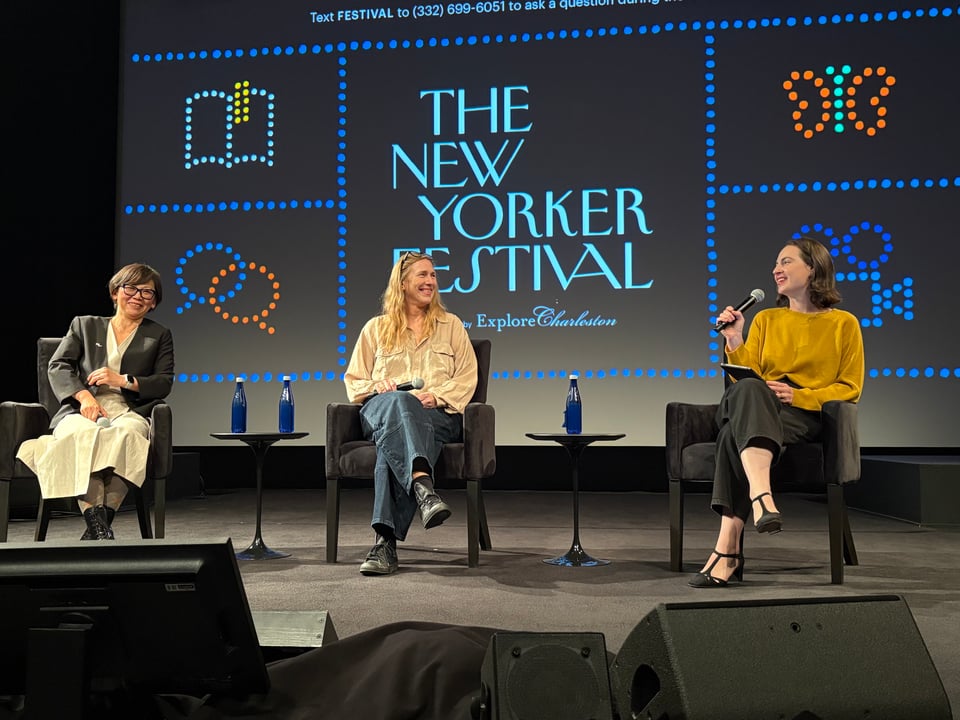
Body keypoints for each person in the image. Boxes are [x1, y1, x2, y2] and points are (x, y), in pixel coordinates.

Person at [689, 237, 864, 588]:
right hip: (755, 403)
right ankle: (761, 497)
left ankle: (729, 549)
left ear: (813, 268)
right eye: (775, 264)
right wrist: (735, 339)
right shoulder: (767, 319)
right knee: (750, 389)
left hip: (802, 415)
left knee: (729, 436)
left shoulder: (843, 324)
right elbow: (744, 375)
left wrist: (800, 395)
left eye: (786, 262)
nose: (776, 270)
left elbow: (850, 387)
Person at [16, 263, 174, 540]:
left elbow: (164, 382)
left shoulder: (158, 335)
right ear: (115, 292)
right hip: (82, 409)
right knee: (80, 435)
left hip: (129, 410)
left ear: (154, 303)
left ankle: (97, 527)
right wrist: (84, 396)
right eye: (131, 288)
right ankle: (100, 527)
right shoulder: (84, 325)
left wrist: (122, 380)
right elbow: (59, 365)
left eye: (147, 293)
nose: (138, 296)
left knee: (128, 436)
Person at [344, 251, 478, 576]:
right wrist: (380, 385)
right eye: (423, 275)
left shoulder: (452, 326)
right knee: (400, 404)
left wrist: (436, 394)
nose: (430, 281)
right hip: (381, 409)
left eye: (433, 275)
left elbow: (467, 378)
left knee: (391, 446)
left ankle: (384, 545)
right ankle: (423, 487)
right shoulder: (375, 329)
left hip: (435, 415)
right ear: (403, 283)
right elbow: (353, 384)